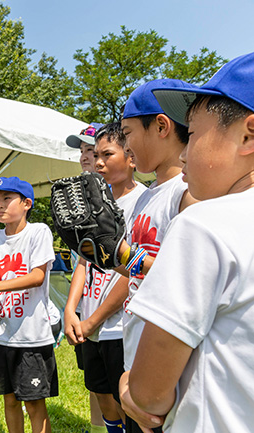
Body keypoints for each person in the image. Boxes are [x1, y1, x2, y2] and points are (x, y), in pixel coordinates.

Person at [122, 52, 254, 433]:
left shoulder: (204, 222)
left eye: (193, 134)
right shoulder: (154, 199)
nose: (184, 151)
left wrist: (128, 386)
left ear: (248, 134)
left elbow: (150, 396)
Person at [111, 79, 198, 433]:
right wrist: (102, 250)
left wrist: (127, 256)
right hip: (138, 350)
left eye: (129, 133)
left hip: (169, 367)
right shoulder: (147, 195)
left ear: (160, 126)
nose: (126, 146)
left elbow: (188, 277)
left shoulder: (186, 193)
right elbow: (137, 271)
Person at [64, 122, 147, 433]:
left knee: (127, 400)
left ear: (131, 156)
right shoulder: (94, 202)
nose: (97, 161)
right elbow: (85, 261)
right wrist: (71, 310)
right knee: (101, 395)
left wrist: (92, 319)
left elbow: (133, 273)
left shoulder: (143, 202)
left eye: (105, 154)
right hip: (90, 322)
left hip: (120, 325)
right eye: (93, 154)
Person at [0, 176, 57, 433]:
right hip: (0, 338)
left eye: (7, 198)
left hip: (31, 337)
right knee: (9, 399)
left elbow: (37, 276)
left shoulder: (38, 231)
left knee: (34, 404)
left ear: (27, 203)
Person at [65, 122, 106, 433]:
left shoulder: (126, 197)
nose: (85, 157)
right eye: (82, 152)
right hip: (88, 305)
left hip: (118, 313)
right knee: (95, 382)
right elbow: (82, 259)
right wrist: (72, 308)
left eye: (90, 150)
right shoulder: (82, 201)